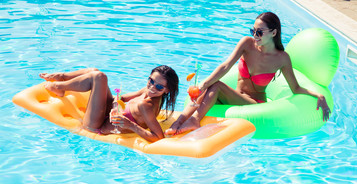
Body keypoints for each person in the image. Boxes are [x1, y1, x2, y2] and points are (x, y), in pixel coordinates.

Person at [165, 11, 330, 135]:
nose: (255, 35)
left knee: (216, 86)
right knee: (208, 88)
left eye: (260, 32)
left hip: (254, 103)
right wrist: (202, 84)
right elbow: (226, 65)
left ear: (274, 33)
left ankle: (193, 121)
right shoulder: (247, 44)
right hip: (235, 95)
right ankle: (179, 121)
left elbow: (295, 88)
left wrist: (318, 95)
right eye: (253, 31)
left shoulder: (282, 59)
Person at [40, 65, 179, 142]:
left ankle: (58, 87)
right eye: (151, 80)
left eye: (159, 87)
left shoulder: (146, 105)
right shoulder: (147, 91)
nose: (152, 87)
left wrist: (131, 125)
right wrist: (114, 105)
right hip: (109, 114)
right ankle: (62, 76)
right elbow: (122, 98)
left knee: (98, 77)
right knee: (95, 72)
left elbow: (158, 136)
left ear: (167, 90)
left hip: (97, 126)